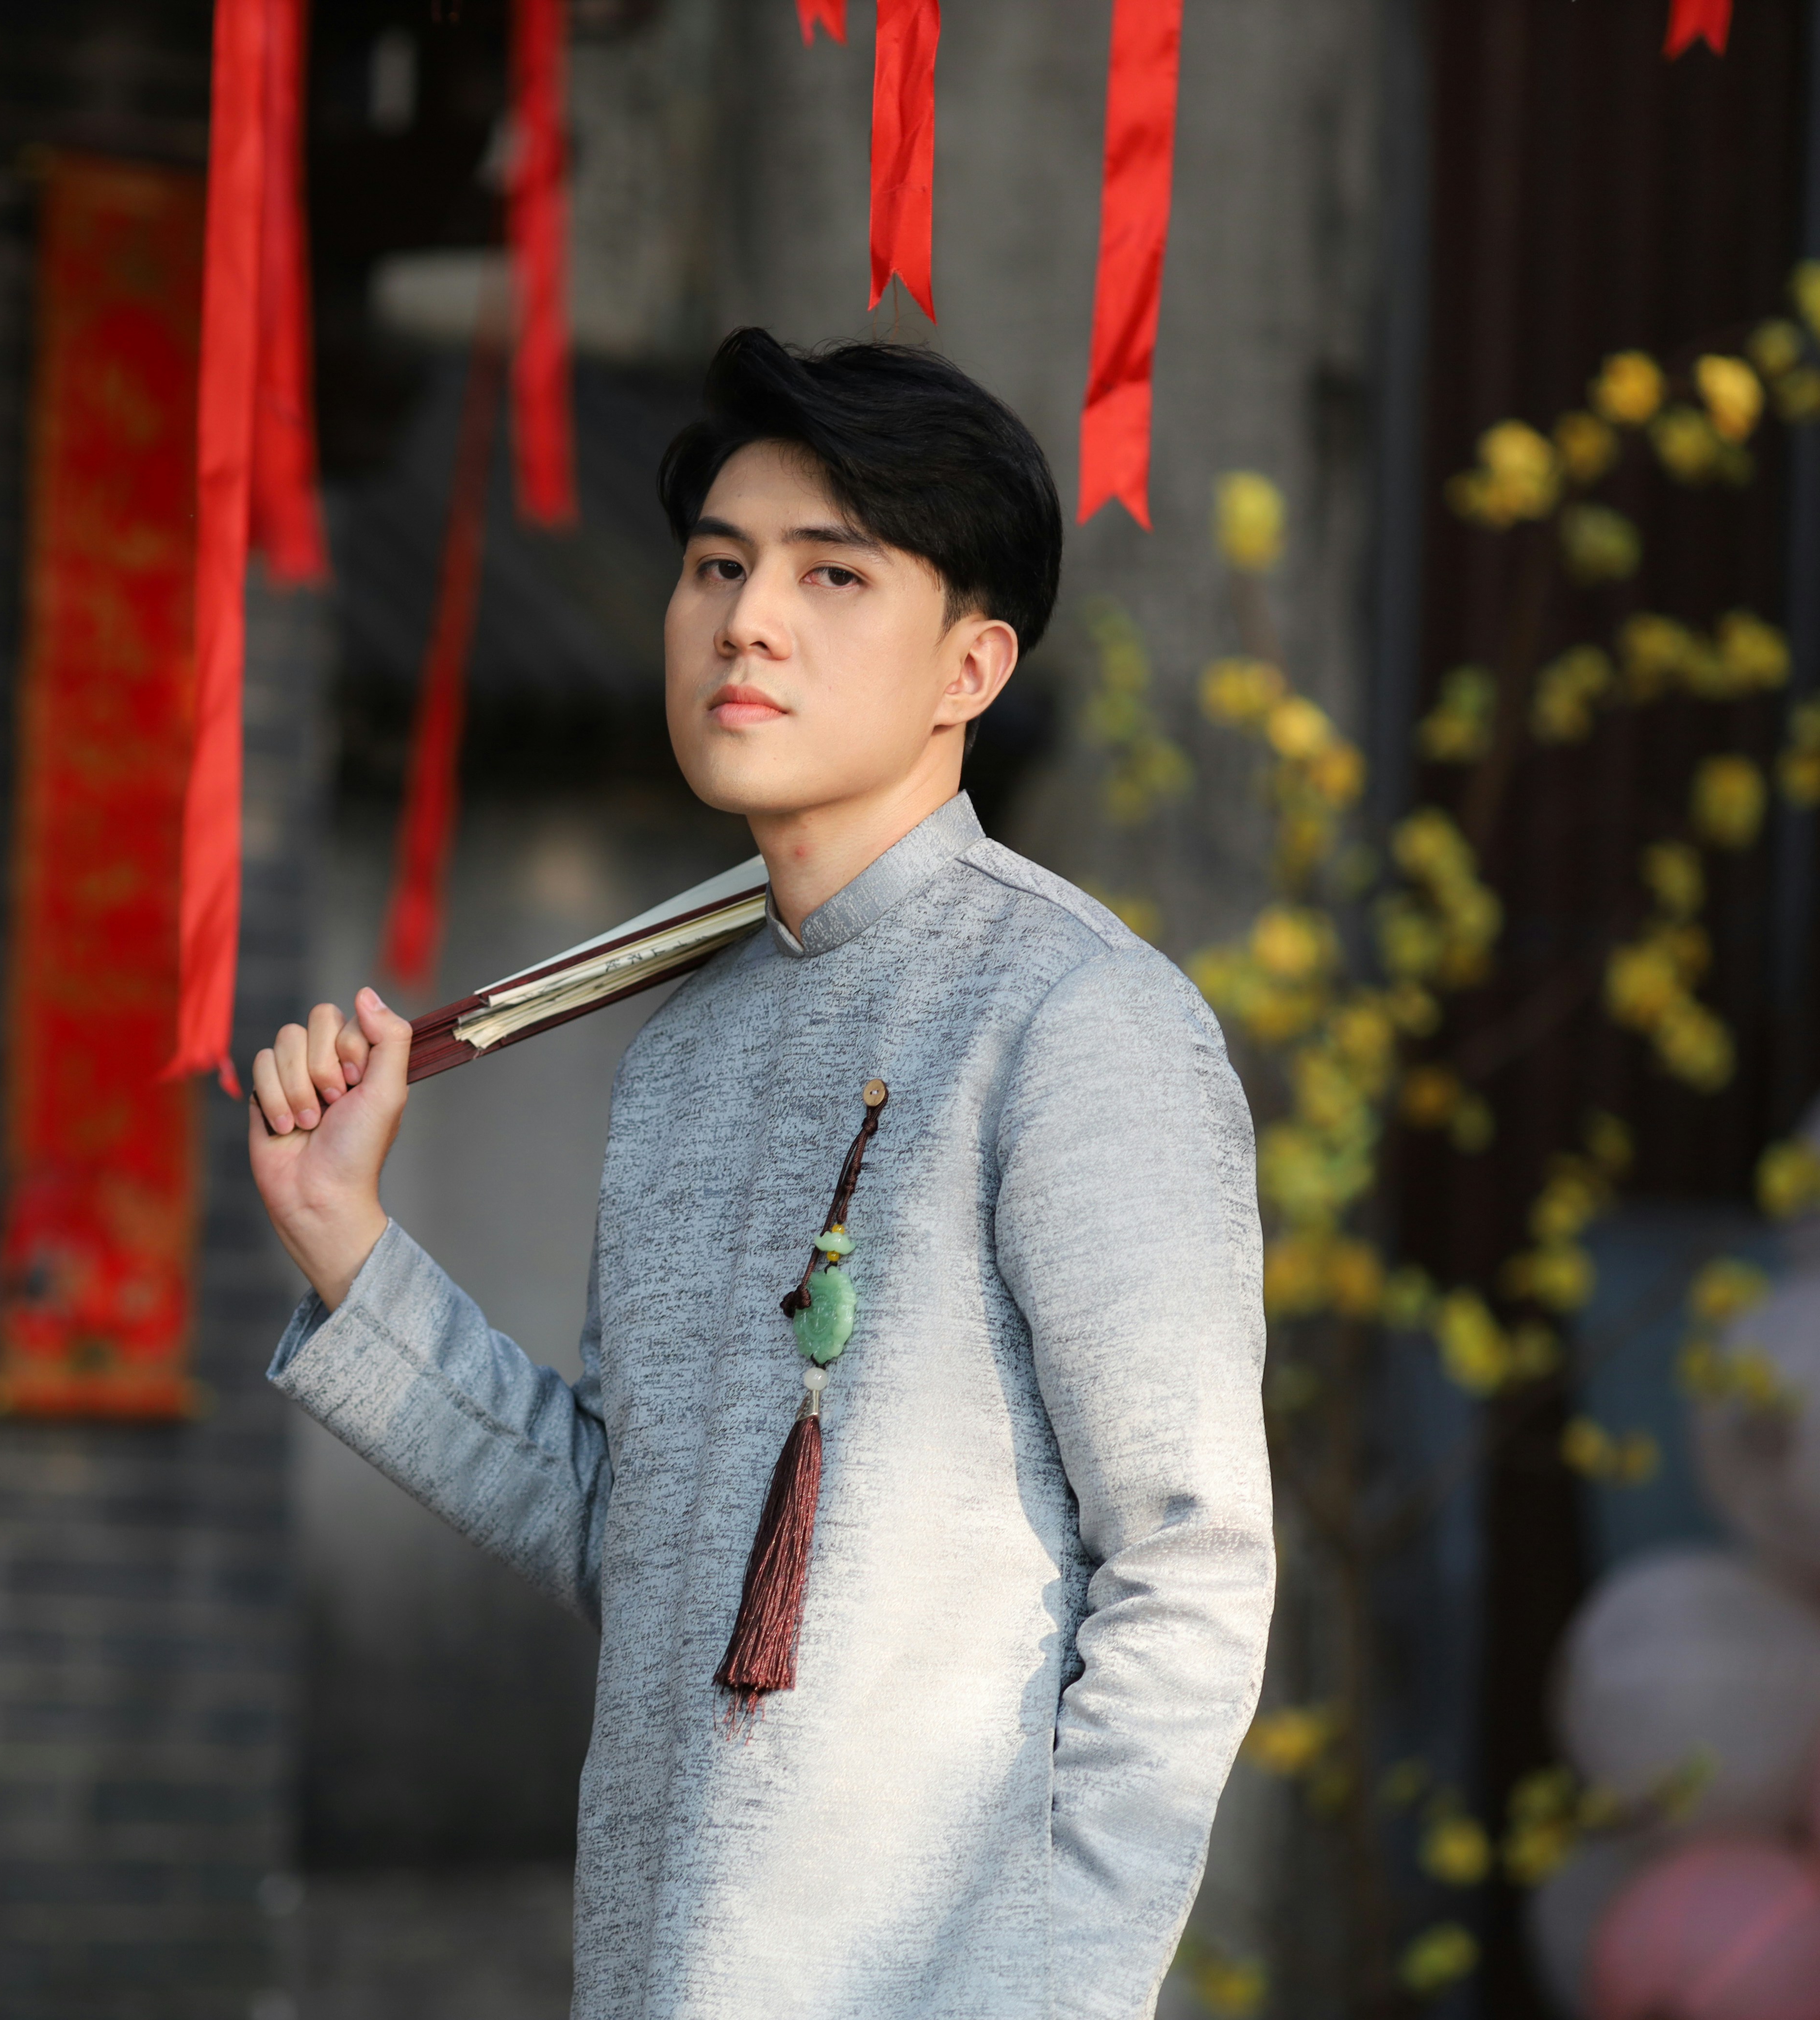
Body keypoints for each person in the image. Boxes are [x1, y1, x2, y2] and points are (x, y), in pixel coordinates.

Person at [248, 330, 1274, 2019]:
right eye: (718, 566)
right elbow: (638, 1535)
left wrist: (1050, 1998)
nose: (747, 620)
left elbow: (1190, 1566)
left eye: (832, 573)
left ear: (971, 666)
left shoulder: (1078, 1019)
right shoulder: (682, 1054)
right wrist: (347, 1242)